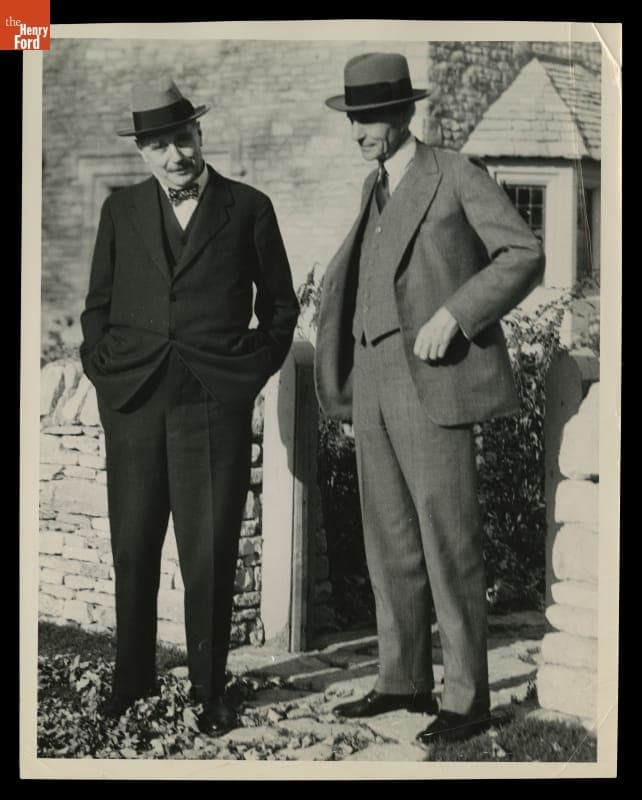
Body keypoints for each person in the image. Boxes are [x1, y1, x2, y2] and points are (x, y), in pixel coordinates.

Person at [315, 53, 544, 744]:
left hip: (433, 378)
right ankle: (402, 678)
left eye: (370, 117)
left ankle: (467, 696)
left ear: (403, 113)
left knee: (448, 541)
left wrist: (458, 313)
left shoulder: (454, 173)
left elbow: (523, 253)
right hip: (376, 382)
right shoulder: (373, 187)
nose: (358, 129)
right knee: (389, 541)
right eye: (352, 117)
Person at [80, 77, 299, 736]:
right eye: (157, 145)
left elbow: (281, 308)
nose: (173, 155)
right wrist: (103, 372)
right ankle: (133, 677)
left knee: (208, 550)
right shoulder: (119, 211)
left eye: (181, 138)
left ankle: (209, 691)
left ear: (199, 135)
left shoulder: (249, 208)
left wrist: (245, 371)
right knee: (134, 546)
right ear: (142, 153)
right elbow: (96, 308)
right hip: (136, 403)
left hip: (212, 403)